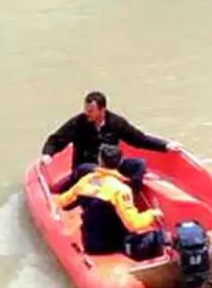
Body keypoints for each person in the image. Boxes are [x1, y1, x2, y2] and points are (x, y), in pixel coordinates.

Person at [42, 91, 181, 192]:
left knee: (140, 164)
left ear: (102, 110)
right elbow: (56, 139)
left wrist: (165, 145)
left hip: (111, 166)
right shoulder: (78, 122)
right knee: (90, 170)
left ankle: (131, 194)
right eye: (86, 109)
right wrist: (48, 154)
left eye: (91, 111)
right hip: (86, 167)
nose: (87, 113)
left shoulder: (116, 122)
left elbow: (139, 139)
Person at [55, 143, 166, 260]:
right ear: (120, 162)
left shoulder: (86, 180)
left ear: (100, 161)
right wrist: (153, 214)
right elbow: (134, 224)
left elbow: (63, 203)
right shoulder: (121, 190)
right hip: (114, 244)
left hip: (90, 243)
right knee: (162, 237)